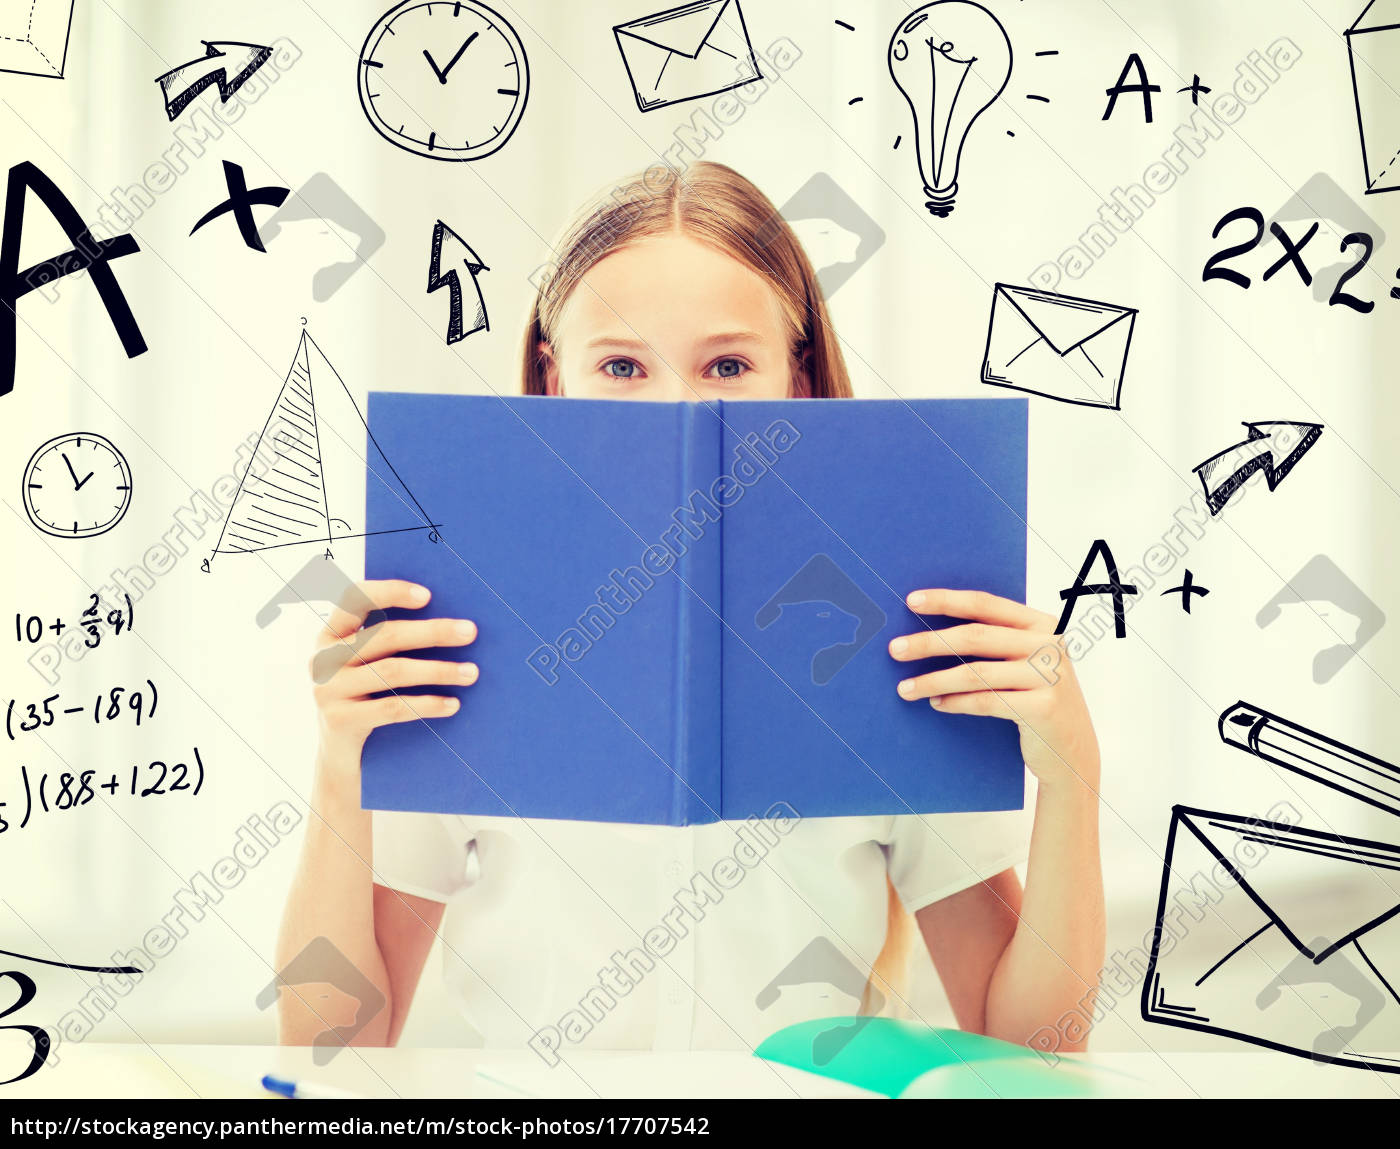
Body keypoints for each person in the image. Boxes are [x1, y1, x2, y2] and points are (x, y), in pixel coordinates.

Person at [275, 162, 1105, 1058]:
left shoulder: (900, 634)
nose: (675, 406)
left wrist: (1073, 777)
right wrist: (336, 768)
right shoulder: (462, 636)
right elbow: (334, 1044)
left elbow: (1033, 1045)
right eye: (623, 364)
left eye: (727, 364)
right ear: (556, 380)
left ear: (797, 376)